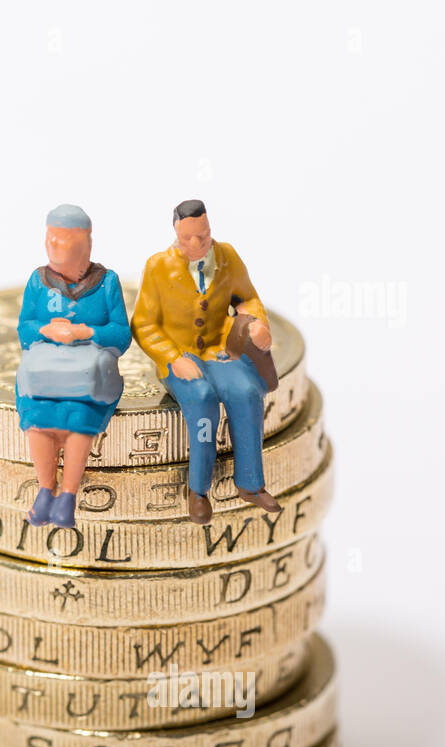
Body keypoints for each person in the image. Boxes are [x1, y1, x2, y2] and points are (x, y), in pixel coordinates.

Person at [130, 199, 281, 524]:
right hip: (180, 356)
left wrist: (255, 321)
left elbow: (248, 298)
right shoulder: (158, 266)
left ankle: (251, 484)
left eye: (204, 235)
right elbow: (143, 324)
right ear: (176, 234)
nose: (197, 245)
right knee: (202, 402)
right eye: (188, 239)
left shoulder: (227, 256)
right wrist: (172, 358)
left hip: (219, 351)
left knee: (246, 392)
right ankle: (198, 490)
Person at [14, 204, 131, 529]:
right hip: (46, 372)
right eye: (50, 238)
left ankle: (68, 495)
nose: (54, 245)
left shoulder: (106, 283)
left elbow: (122, 334)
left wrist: (86, 332)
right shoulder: (38, 282)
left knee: (79, 420)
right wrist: (45, 330)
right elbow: (24, 327)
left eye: (63, 240)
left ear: (85, 243)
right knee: (37, 419)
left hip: (89, 374)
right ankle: (44, 490)